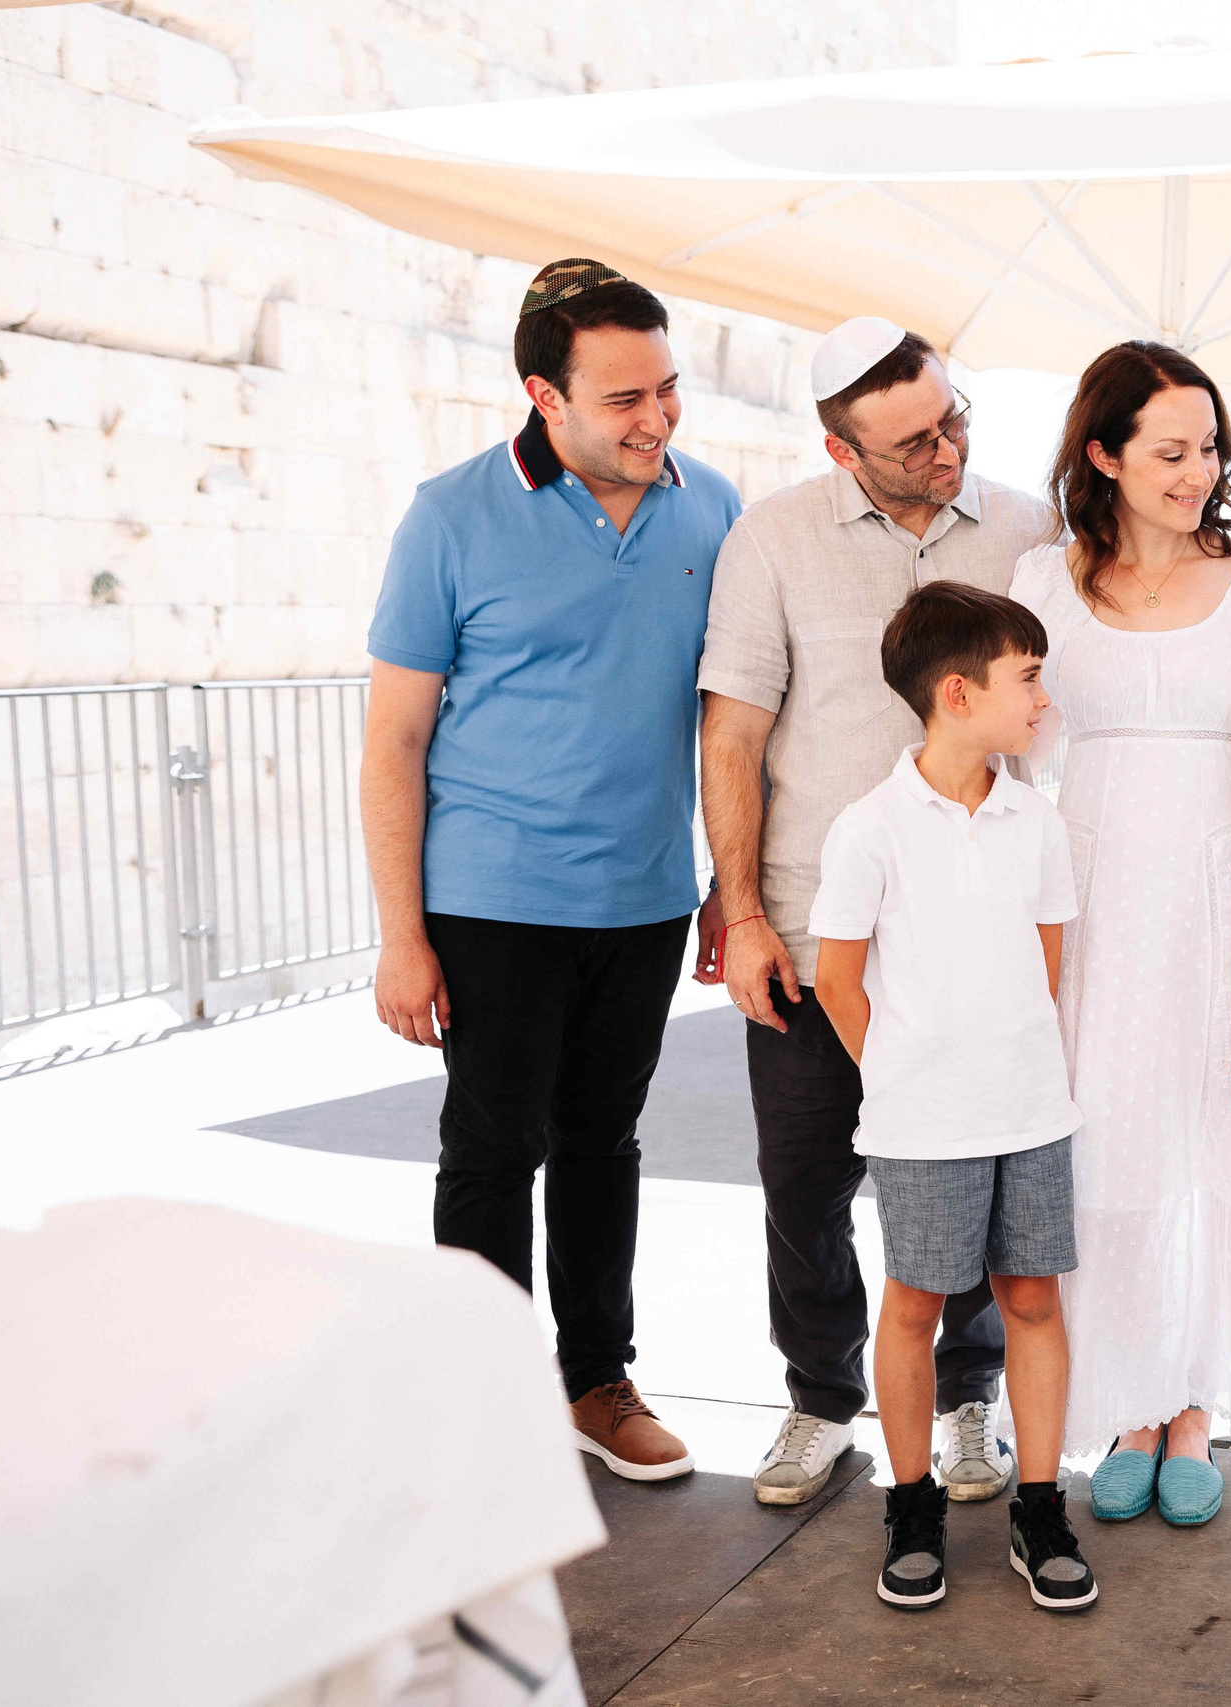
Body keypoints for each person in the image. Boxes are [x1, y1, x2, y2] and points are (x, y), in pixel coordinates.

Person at [362, 259, 743, 1483]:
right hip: (489, 899)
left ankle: (597, 1384)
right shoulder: (451, 515)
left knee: (603, 1144)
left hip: (641, 900)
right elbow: (395, 741)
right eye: (625, 397)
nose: (657, 419)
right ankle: (476, 1398)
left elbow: (730, 722)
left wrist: (729, 887)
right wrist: (400, 933)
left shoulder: (712, 510)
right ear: (545, 393)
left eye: (668, 390)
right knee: (491, 1148)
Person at [698, 318, 1056, 1508]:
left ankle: (968, 1400)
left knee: (962, 1180)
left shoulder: (1025, 528)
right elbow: (734, 732)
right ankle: (817, 1401)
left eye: (953, 419)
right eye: (911, 442)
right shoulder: (773, 539)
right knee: (804, 1187)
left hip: (968, 948)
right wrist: (742, 915)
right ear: (841, 446)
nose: (946, 449)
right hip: (812, 934)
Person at [1011, 341, 1231, 1527]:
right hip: (1087, 888)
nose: (1198, 471)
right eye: (1170, 450)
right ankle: (1129, 1398)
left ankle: (1194, 1396)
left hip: (1227, 883)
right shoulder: (1045, 578)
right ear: (1104, 454)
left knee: (1219, 1144)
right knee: (1108, 1151)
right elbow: (1006, 741)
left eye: (1209, 448)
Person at [806, 580, 1095, 1615]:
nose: (1042, 698)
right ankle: (912, 1502)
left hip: (1029, 1110)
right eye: (1028, 678)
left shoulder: (1036, 821)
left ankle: (1039, 1505)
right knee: (916, 1307)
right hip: (921, 1121)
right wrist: (904, 1077)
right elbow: (837, 980)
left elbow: (1046, 961)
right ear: (960, 694)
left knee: (1031, 1299)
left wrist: (1000, 1062)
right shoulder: (869, 828)